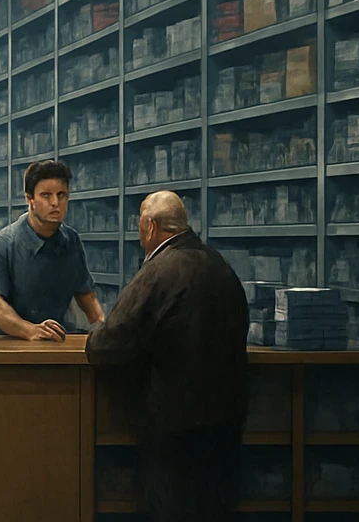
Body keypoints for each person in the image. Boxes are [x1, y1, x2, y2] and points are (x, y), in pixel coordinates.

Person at [85, 191, 249, 522]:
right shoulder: (220, 265)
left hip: (175, 422)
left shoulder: (159, 271)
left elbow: (107, 345)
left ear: (150, 226)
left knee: (172, 509)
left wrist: (91, 335)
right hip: (227, 417)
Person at [0, 159, 103, 340]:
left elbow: (85, 294)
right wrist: (30, 330)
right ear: (30, 199)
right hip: (6, 346)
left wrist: (103, 328)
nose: (55, 203)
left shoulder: (71, 241)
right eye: (46, 195)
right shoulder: (0, 245)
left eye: (61, 195)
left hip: (53, 341)